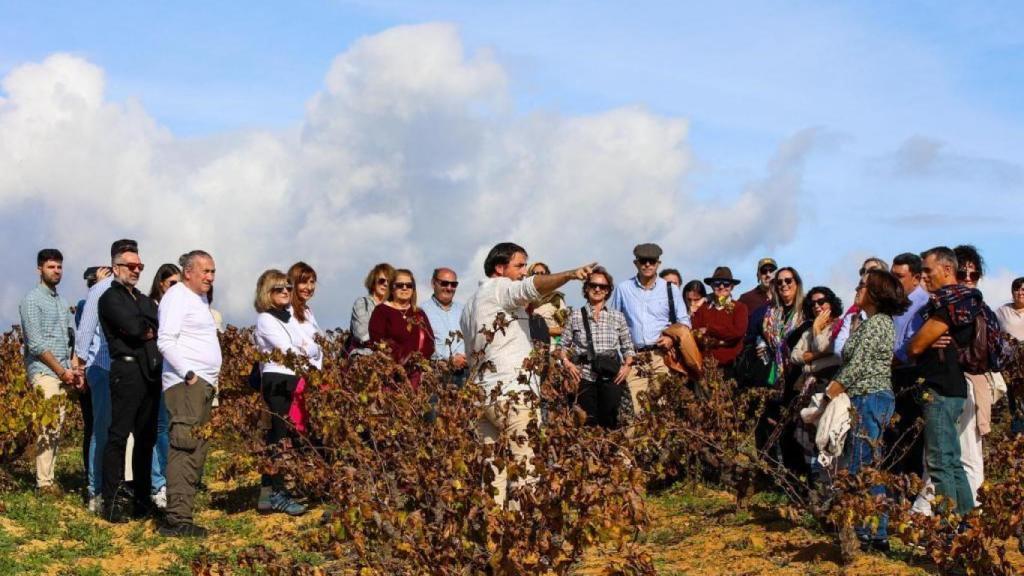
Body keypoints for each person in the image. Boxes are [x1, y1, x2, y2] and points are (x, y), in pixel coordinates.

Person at [460, 242, 592, 506]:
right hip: (512, 393)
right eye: (519, 265)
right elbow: (530, 287)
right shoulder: (500, 288)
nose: (524, 272)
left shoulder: (468, 305)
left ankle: (493, 535)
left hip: (482, 396)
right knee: (525, 469)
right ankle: (519, 538)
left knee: (492, 471)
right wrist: (570, 275)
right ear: (499, 268)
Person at [823, 270, 909, 552]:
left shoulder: (879, 324)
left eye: (863, 286)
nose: (857, 290)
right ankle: (869, 530)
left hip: (870, 397)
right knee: (863, 463)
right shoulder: (871, 322)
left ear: (875, 293)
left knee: (865, 465)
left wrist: (832, 389)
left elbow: (857, 364)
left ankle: (873, 533)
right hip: (865, 397)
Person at [907, 247, 978, 517]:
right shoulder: (954, 301)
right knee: (951, 460)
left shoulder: (952, 303)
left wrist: (920, 341)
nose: (923, 276)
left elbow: (914, 347)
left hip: (942, 388)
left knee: (939, 462)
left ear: (947, 269)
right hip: (951, 388)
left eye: (927, 269)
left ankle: (949, 527)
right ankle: (968, 524)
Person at [157, 250, 222, 538]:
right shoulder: (177, 296)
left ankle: (183, 513)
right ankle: (177, 519)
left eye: (212, 272)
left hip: (202, 384)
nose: (209, 277)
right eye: (204, 271)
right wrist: (189, 374)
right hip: (186, 385)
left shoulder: (199, 300)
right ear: (188, 272)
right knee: (184, 446)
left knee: (197, 449)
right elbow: (165, 340)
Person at [97, 240, 162, 522]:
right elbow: (137, 329)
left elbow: (154, 325)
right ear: (116, 268)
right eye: (131, 266)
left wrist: (145, 327)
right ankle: (110, 503)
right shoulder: (109, 298)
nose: (136, 270)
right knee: (119, 436)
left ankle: (141, 501)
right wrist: (144, 328)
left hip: (149, 372)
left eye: (140, 266)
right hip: (125, 370)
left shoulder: (144, 300)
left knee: (146, 438)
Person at [19, 248, 81, 497]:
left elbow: (71, 340)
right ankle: (43, 484)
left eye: (59, 267)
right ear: (39, 269)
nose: (56, 271)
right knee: (48, 425)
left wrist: (74, 369)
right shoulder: (31, 300)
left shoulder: (63, 302)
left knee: (57, 426)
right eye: (51, 267)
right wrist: (60, 370)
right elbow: (35, 344)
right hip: (44, 370)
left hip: (64, 371)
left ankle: (49, 479)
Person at [254, 269, 315, 516]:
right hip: (277, 379)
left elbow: (315, 345)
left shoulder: (291, 317)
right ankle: (277, 492)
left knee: (292, 434)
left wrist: (308, 348)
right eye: (279, 289)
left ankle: (273, 493)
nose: (285, 292)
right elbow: (289, 349)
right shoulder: (266, 319)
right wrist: (307, 349)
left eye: (288, 288)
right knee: (279, 436)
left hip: (295, 378)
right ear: (267, 292)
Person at [610, 243, 690, 412]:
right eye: (643, 261)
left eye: (651, 261)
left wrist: (670, 338)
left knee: (663, 410)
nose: (647, 265)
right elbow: (614, 324)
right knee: (638, 411)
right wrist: (622, 357)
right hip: (635, 358)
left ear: (658, 264)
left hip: (662, 356)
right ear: (636, 263)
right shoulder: (623, 289)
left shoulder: (670, 289)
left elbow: (684, 321)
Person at [559, 267, 635, 428]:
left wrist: (627, 366)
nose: (598, 289)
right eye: (593, 285)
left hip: (611, 376)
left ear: (608, 291)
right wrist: (568, 364)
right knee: (586, 424)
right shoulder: (575, 316)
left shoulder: (617, 316)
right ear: (586, 288)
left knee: (612, 424)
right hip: (584, 377)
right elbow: (562, 347)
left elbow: (628, 347)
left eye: (603, 286)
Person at [750, 266, 808, 472]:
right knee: (771, 422)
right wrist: (760, 343)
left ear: (797, 283)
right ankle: (771, 472)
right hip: (772, 373)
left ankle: (798, 474)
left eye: (788, 281)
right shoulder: (767, 312)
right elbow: (752, 335)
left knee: (795, 425)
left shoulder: (806, 310)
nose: (784, 285)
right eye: (779, 282)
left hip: (798, 373)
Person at [75, 255, 118, 512]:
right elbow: (83, 332)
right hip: (98, 368)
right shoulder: (88, 301)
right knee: (99, 429)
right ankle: (95, 489)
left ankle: (111, 485)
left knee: (113, 431)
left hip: (117, 370)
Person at [888, 252, 931, 477]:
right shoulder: (894, 304)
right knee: (892, 437)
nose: (894, 282)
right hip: (892, 375)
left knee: (909, 437)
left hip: (910, 376)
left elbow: (912, 344)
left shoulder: (924, 304)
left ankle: (910, 493)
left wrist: (888, 362)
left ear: (915, 278)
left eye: (899, 277)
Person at [368, 269, 435, 388]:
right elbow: (377, 341)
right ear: (392, 288)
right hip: (391, 377)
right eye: (399, 285)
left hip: (417, 377)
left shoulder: (419, 313)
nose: (405, 288)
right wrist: (400, 360)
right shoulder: (381, 311)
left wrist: (419, 363)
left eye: (409, 285)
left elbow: (430, 341)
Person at [691, 267, 748, 379]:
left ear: (732, 287)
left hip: (730, 368)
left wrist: (708, 330)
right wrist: (723, 341)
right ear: (712, 286)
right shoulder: (702, 308)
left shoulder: (740, 308)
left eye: (726, 283)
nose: (721, 286)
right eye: (717, 283)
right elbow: (694, 333)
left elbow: (737, 333)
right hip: (704, 367)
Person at [420, 267, 467, 386]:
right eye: (444, 283)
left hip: (465, 374)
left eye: (453, 284)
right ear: (433, 283)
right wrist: (448, 360)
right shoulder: (421, 311)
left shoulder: (464, 310)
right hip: (436, 375)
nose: (449, 288)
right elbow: (421, 346)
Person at [790, 286, 843, 390]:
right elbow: (794, 356)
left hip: (829, 380)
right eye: (812, 304)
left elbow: (824, 347)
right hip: (807, 383)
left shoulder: (840, 326)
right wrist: (820, 355)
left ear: (831, 304)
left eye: (821, 302)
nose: (816, 306)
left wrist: (817, 327)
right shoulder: (808, 332)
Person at [835, 257, 890, 356]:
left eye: (872, 270)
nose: (866, 274)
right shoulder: (852, 315)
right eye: (863, 271)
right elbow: (838, 350)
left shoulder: (886, 317)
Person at [997, 277, 1024, 433]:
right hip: (1010, 368)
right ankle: (1017, 436)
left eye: (1023, 289)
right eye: (1017, 289)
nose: (1020, 292)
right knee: (1014, 404)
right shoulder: (1001, 312)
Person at [349, 263, 395, 352]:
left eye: (389, 282)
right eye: (382, 281)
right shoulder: (362, 303)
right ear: (373, 283)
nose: (385, 284)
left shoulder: (394, 307)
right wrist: (385, 346)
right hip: (366, 356)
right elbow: (362, 334)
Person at [527, 262, 567, 343]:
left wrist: (543, 330)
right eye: (536, 273)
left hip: (552, 347)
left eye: (542, 273)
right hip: (529, 346)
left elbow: (566, 328)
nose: (540, 276)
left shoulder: (555, 299)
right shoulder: (524, 300)